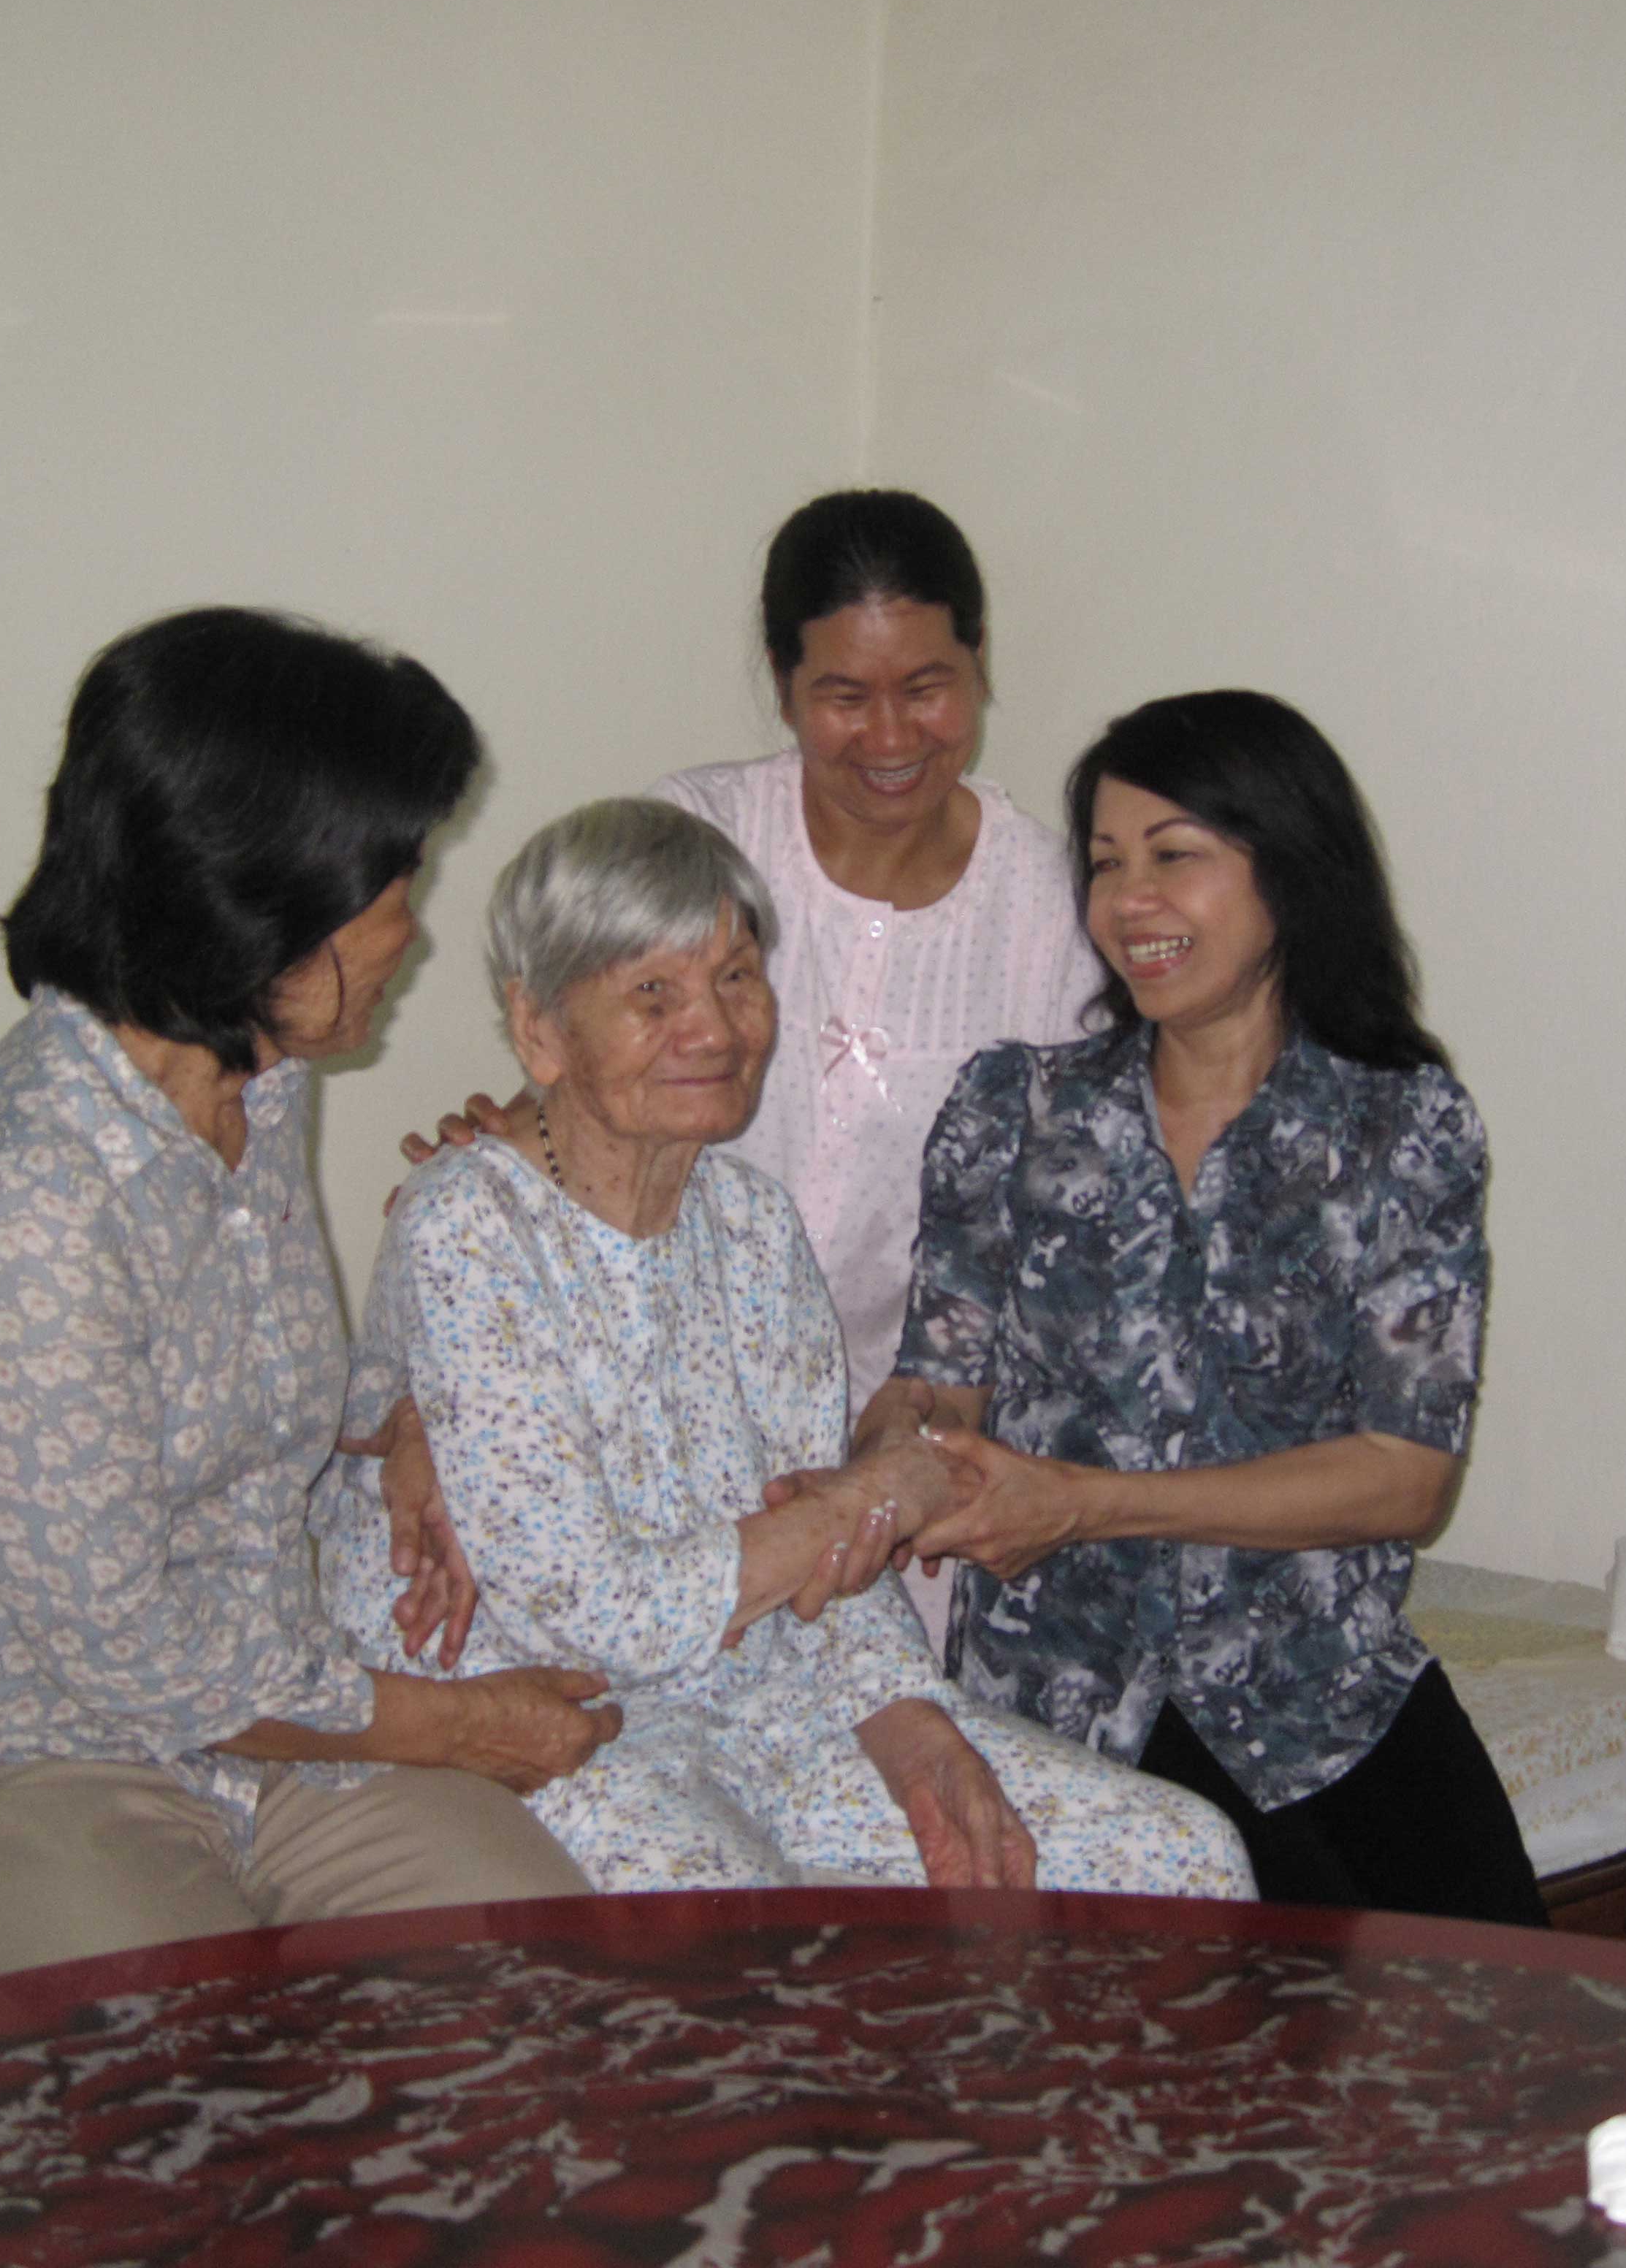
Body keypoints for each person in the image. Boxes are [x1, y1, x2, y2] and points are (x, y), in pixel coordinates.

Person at [0, 608, 619, 2000]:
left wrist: (403, 1420)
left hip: (262, 1733)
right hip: (1, 1747)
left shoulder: (253, 1090)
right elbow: (131, 1647)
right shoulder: (26, 1202)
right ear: (257, 898)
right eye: (392, 881)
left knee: (526, 1972)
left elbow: (256, 1394)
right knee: (178, 2063)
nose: (411, 929)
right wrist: (453, 1726)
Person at [320, 799, 1251, 1899]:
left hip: (772, 1693)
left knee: (1182, 1856)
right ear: (539, 1032)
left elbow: (840, 1554)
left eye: (736, 977)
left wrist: (913, 1725)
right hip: (562, 1715)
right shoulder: (467, 1227)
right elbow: (600, 1607)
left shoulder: (754, 1222)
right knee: (749, 1938)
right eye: (651, 995)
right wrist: (875, 1494)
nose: (713, 1030)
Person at [860, 690, 1548, 1924]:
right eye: (1106, 863)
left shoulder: (1400, 1128)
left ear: (1290, 870)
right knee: (1245, 2024)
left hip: (1321, 1692)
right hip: (1068, 1715)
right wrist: (895, 1467)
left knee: (1507, 2009)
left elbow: (1405, 1478)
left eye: (1175, 856)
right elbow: (938, 1385)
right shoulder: (1011, 1113)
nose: (1130, 903)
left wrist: (1084, 1502)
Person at [404, 491, 1099, 1634]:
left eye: (927, 688)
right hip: (642, 1427)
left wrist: (909, 1449)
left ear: (978, 666)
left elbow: (1044, 1242)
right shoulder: (703, 835)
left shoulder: (1048, 910)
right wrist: (428, 1408)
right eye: (844, 697)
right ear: (782, 687)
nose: (891, 739)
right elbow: (567, 1132)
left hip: (913, 1439)